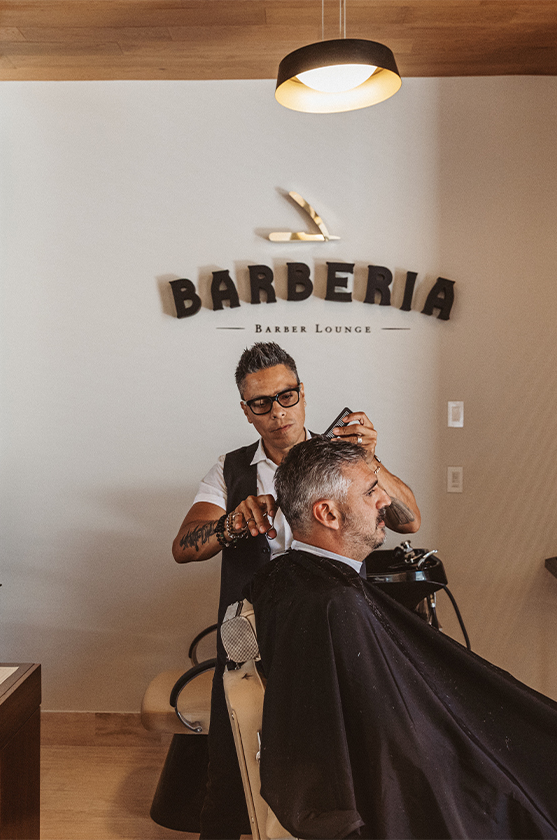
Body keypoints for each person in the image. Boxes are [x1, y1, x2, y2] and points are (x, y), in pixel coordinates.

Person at [246, 436, 557, 839]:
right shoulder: (336, 604)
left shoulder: (291, 582)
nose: (385, 500)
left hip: (467, 748)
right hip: (468, 771)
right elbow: (396, 753)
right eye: (370, 490)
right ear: (328, 514)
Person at [171, 342, 420, 839]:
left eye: (286, 396)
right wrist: (230, 526)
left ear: (303, 394)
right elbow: (184, 547)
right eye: (261, 402)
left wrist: (371, 458)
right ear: (246, 410)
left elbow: (408, 519)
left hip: (334, 629)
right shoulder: (231, 470)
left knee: (343, 755)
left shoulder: (344, 458)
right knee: (231, 761)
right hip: (252, 635)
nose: (277, 411)